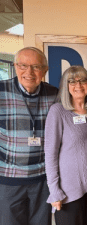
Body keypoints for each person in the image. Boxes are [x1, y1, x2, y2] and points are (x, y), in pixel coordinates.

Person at [0, 47, 58, 225]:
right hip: (9, 180)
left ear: (45, 70)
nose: (29, 72)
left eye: (36, 67)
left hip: (42, 180)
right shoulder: (1, 91)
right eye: (23, 65)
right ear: (15, 66)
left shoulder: (54, 95)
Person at [44, 66, 87, 225]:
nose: (78, 85)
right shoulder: (58, 111)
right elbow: (50, 154)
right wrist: (54, 191)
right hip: (68, 192)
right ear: (66, 86)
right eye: (72, 81)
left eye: (82, 80)